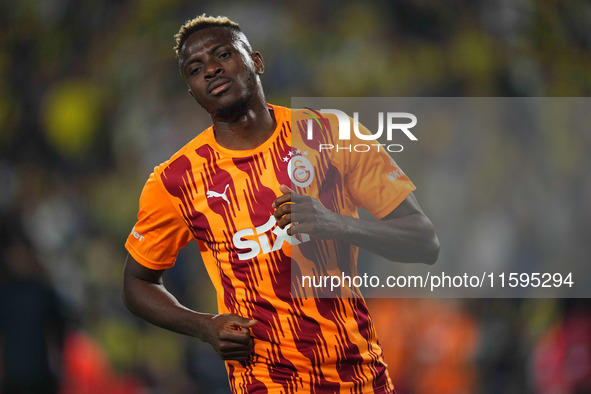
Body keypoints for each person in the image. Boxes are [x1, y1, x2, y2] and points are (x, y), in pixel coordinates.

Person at [123, 14, 439, 393]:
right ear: (192, 91)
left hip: (360, 377)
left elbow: (424, 242)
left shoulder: (332, 135)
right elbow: (137, 283)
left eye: (222, 54)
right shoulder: (175, 180)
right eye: (195, 69)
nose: (210, 70)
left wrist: (336, 224)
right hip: (265, 381)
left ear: (256, 61)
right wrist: (204, 326)